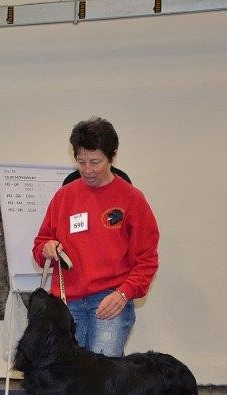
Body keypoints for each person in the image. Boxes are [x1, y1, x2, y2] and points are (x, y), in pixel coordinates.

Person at [32, 117, 159, 358]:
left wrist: (124, 294)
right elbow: (40, 245)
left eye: (95, 162)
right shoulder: (63, 197)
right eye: (81, 162)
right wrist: (46, 248)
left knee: (102, 374)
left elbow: (147, 260)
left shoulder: (132, 200)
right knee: (65, 374)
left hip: (110, 300)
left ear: (113, 156)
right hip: (67, 303)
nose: (87, 170)